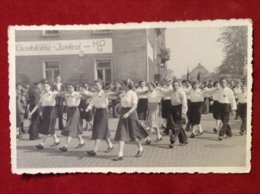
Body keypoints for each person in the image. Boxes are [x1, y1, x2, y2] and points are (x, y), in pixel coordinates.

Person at [113, 80, 149, 161]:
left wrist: (128, 113)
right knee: (122, 133)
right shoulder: (123, 93)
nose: (121, 86)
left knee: (134, 134)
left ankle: (140, 148)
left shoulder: (133, 93)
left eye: (122, 85)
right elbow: (121, 102)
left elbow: (135, 106)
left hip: (131, 114)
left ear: (127, 85)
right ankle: (120, 154)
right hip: (123, 113)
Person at [85, 80, 114, 156]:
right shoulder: (95, 94)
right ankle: (110, 145)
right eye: (95, 85)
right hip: (97, 112)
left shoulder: (104, 93)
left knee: (99, 130)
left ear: (101, 86)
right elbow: (92, 102)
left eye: (97, 85)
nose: (96, 87)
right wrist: (89, 107)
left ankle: (95, 150)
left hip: (103, 113)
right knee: (103, 130)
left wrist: (109, 91)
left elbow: (109, 94)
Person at [158, 80, 188, 148]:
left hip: (179, 108)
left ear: (179, 85)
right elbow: (165, 92)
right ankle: (184, 139)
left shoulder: (181, 92)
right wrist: (158, 88)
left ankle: (172, 141)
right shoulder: (171, 91)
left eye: (176, 85)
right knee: (174, 124)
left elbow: (184, 103)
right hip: (173, 108)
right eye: (173, 85)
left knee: (176, 125)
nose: (174, 87)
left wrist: (183, 113)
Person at [31, 81, 60, 149]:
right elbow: (38, 104)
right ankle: (57, 140)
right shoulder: (43, 95)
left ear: (50, 87)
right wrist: (31, 112)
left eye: (46, 86)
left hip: (51, 111)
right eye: (44, 86)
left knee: (47, 127)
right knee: (50, 127)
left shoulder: (53, 93)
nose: (45, 87)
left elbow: (59, 94)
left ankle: (42, 144)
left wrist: (58, 91)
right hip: (45, 111)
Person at [59, 83, 85, 152]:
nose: (69, 89)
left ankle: (66, 145)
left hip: (75, 111)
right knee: (74, 128)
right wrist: (65, 97)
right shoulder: (67, 94)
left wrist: (82, 93)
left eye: (70, 87)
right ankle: (81, 141)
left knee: (71, 127)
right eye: (68, 88)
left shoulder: (77, 94)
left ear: (74, 88)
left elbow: (84, 97)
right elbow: (66, 103)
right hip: (69, 111)